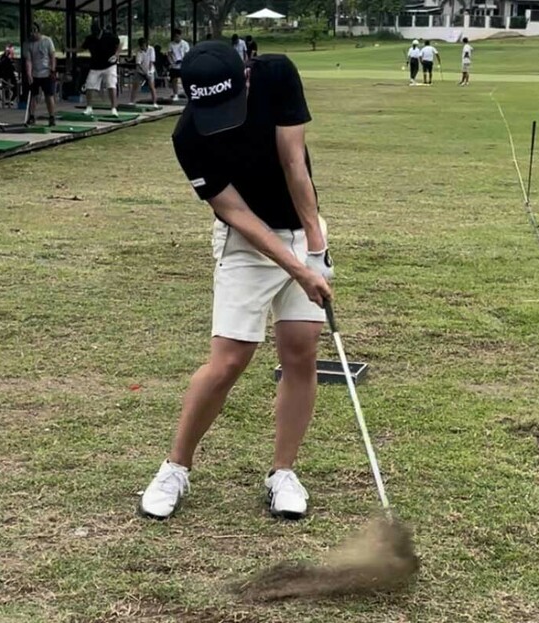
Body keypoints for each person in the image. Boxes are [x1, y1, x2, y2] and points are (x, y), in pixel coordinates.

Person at [138, 41, 333, 521]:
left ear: (246, 77)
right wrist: (296, 268)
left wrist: (315, 248)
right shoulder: (188, 136)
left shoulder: (277, 74)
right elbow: (234, 212)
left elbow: (294, 162)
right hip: (247, 243)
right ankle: (175, 468)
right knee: (229, 358)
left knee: (300, 351)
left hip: (302, 229)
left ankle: (283, 473)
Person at [81, 21, 121, 116]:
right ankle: (89, 108)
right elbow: (82, 48)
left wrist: (116, 54)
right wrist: (69, 49)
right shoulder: (90, 38)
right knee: (89, 85)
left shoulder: (109, 36)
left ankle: (113, 109)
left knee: (111, 85)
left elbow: (119, 44)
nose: (96, 35)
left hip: (109, 65)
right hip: (95, 66)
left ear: (100, 30)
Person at [23, 22, 58, 127]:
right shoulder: (27, 44)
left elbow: (52, 56)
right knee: (33, 96)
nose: (33, 35)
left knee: (49, 96)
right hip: (35, 73)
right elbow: (28, 60)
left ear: (38, 31)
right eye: (31, 33)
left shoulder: (47, 41)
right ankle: (32, 116)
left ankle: (51, 117)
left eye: (34, 32)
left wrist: (52, 69)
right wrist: (29, 74)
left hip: (47, 73)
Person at [132, 37, 157, 105]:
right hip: (140, 71)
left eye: (143, 45)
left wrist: (148, 71)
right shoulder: (138, 51)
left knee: (152, 87)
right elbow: (138, 64)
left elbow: (151, 61)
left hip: (150, 71)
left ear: (146, 44)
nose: (142, 47)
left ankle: (154, 103)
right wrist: (144, 72)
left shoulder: (151, 49)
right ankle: (132, 102)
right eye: (141, 46)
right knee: (135, 86)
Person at [167, 29, 190, 101]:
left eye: (178, 36)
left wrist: (184, 61)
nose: (176, 38)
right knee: (174, 80)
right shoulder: (171, 44)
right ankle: (175, 94)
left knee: (185, 80)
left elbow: (187, 54)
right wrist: (171, 62)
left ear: (180, 36)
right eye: (175, 37)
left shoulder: (185, 44)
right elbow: (169, 54)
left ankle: (187, 93)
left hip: (183, 64)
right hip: (174, 65)